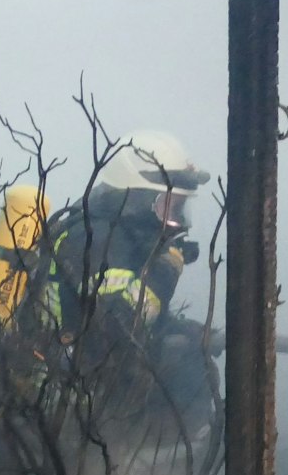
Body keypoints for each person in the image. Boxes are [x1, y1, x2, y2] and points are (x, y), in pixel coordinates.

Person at [27, 130, 217, 434]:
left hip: (89, 384)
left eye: (180, 208)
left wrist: (180, 330)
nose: (177, 221)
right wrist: (165, 271)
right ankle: (140, 470)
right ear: (138, 199)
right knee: (185, 369)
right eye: (169, 207)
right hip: (69, 398)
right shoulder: (99, 240)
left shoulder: (118, 236)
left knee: (190, 357)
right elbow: (116, 324)